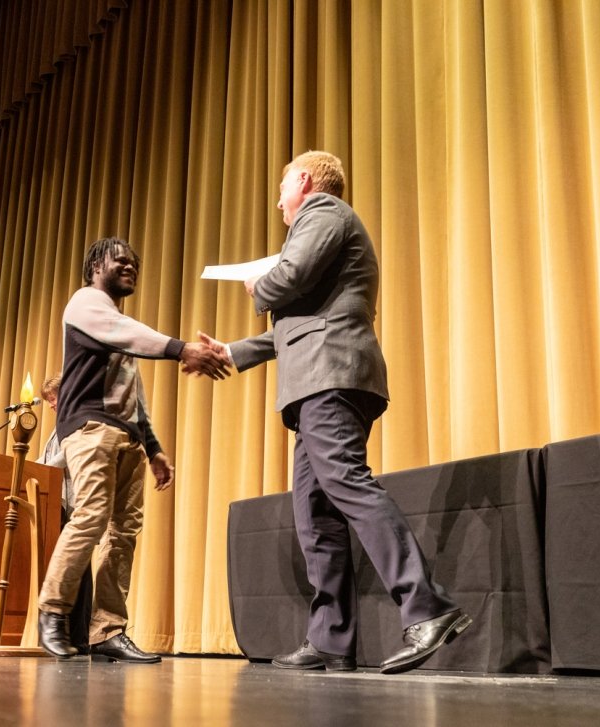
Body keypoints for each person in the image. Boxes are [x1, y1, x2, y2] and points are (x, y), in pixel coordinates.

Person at [197, 151, 471, 674]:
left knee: (347, 484)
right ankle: (330, 640)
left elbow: (289, 278)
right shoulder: (320, 223)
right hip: (317, 380)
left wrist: (260, 284)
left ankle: (428, 608)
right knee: (315, 513)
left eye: (282, 187)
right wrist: (231, 353)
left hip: (333, 377)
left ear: (303, 180)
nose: (279, 199)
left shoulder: (321, 212)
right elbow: (297, 327)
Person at [37, 236, 228, 663]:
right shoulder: (84, 303)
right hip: (90, 429)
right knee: (90, 517)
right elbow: (128, 334)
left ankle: (108, 629)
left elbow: (133, 392)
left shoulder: (119, 331)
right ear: (94, 266)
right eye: (120, 260)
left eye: (135, 263)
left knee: (123, 534)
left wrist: (154, 448)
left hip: (125, 437)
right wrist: (183, 349)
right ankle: (51, 613)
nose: (130, 267)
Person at [36, 374, 92, 654]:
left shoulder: (79, 417)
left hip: (73, 504)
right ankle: (70, 636)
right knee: (72, 567)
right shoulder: (59, 425)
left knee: (79, 568)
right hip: (54, 502)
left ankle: (80, 637)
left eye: (52, 399)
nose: (50, 405)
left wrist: (37, 470)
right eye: (48, 400)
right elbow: (49, 460)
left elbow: (68, 456)